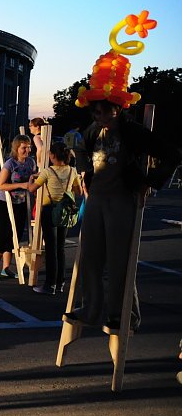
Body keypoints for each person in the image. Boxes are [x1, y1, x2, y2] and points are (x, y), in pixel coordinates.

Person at [65, 99, 181, 331]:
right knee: (89, 257)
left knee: (120, 260)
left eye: (102, 111)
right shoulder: (93, 129)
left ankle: (124, 314)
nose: (98, 116)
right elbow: (78, 146)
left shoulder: (131, 130)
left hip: (121, 199)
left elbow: (172, 154)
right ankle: (91, 309)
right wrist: (84, 170)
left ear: (116, 109)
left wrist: (149, 183)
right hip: (96, 198)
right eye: (95, 112)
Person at [27, 142, 81, 294]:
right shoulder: (72, 171)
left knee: (51, 248)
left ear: (53, 156)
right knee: (60, 247)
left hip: (50, 210)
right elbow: (78, 191)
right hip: (65, 210)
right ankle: (60, 283)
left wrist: (32, 178)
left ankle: (49, 284)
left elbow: (32, 189)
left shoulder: (47, 172)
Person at [0, 135, 36, 280]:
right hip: (5, 203)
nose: (27, 150)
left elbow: (33, 180)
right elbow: (1, 185)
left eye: (29, 147)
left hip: (22, 203)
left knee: (15, 235)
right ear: (16, 148)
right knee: (3, 234)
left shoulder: (30, 162)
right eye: (24, 147)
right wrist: (20, 185)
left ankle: (6, 268)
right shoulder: (10, 164)